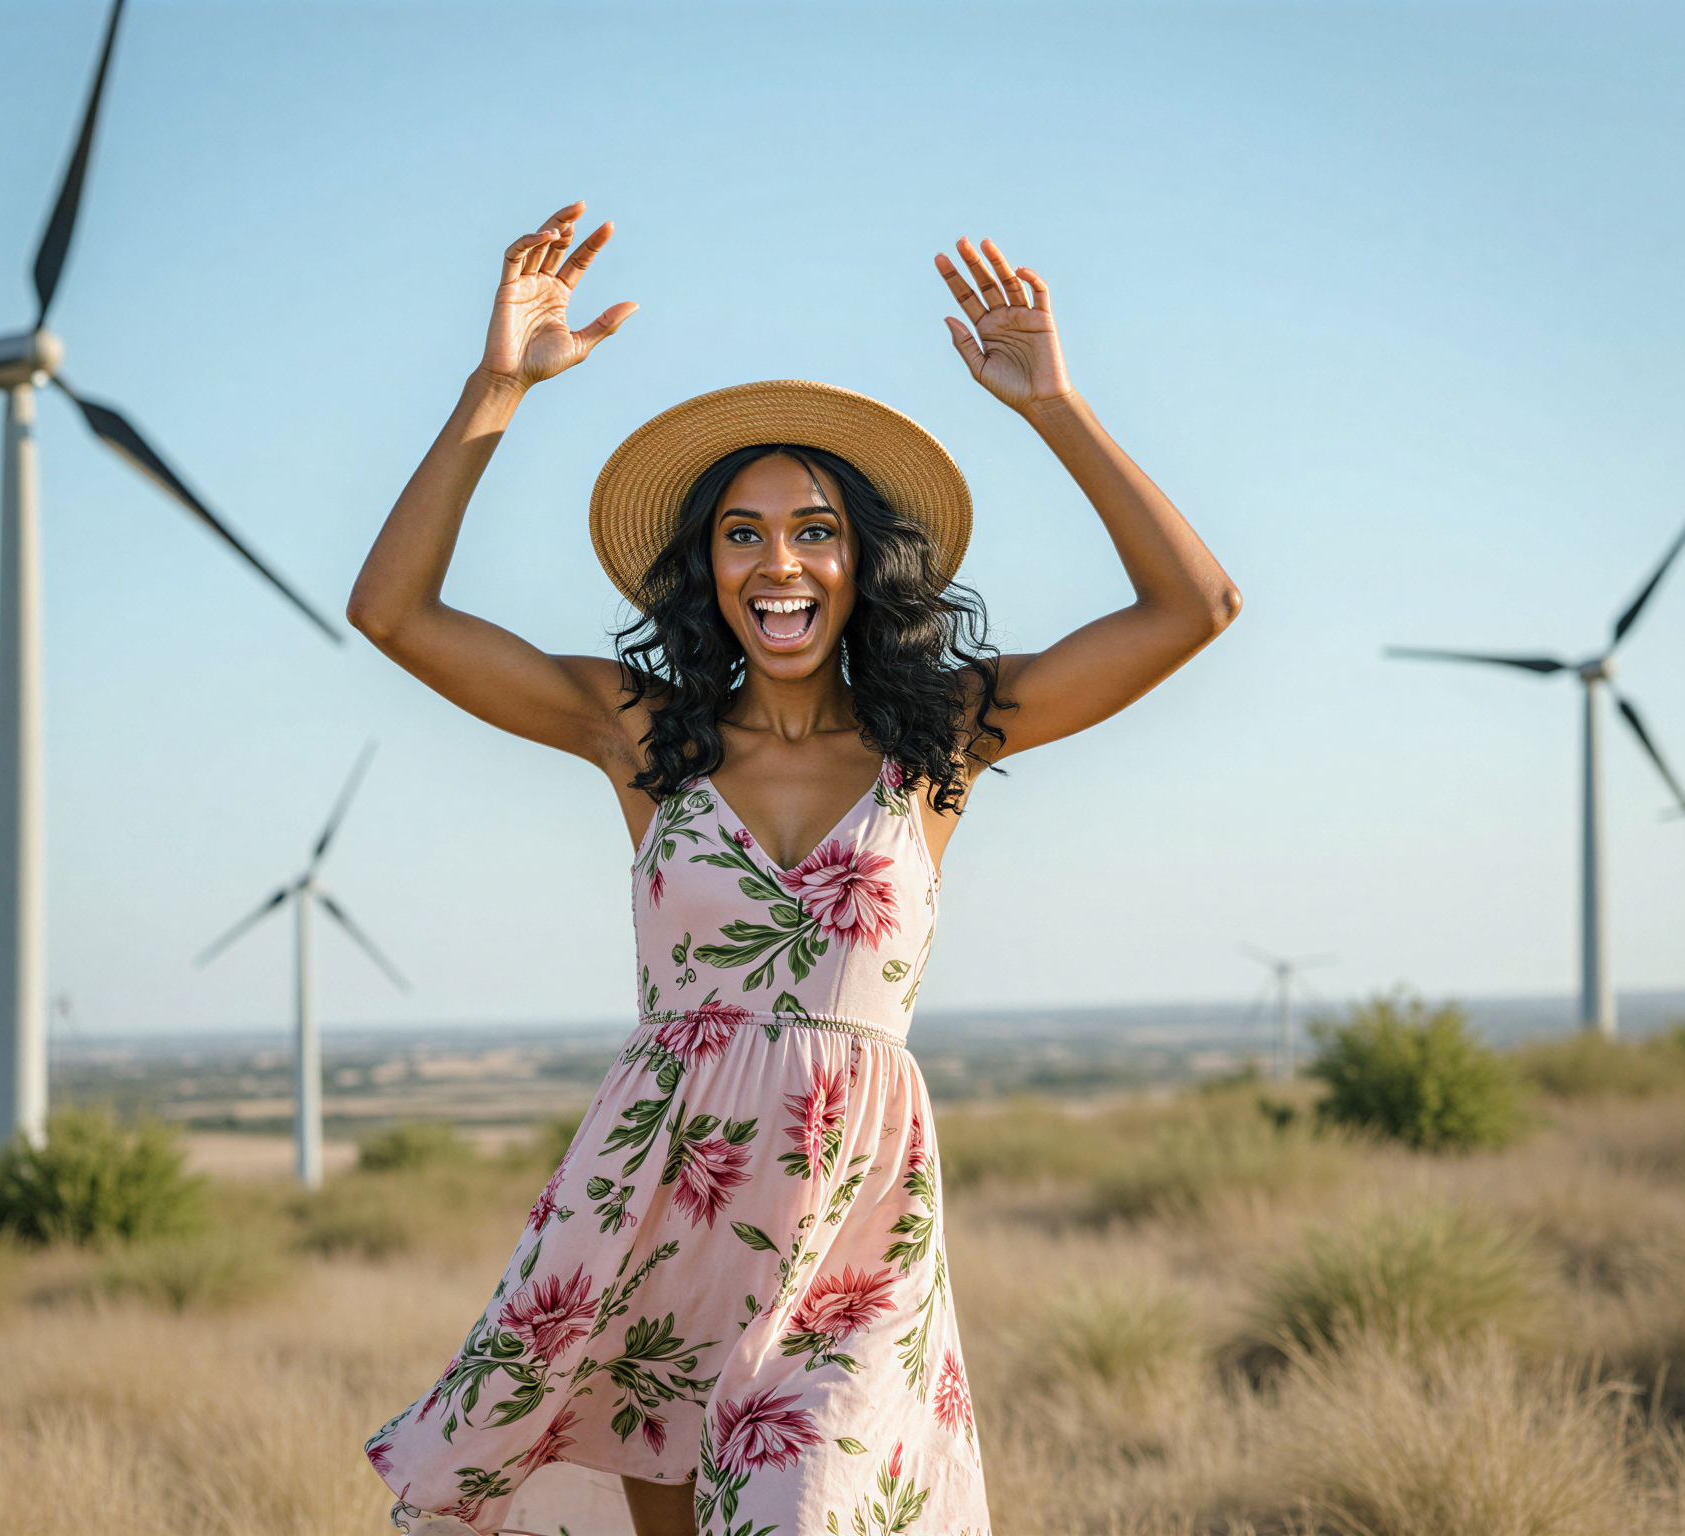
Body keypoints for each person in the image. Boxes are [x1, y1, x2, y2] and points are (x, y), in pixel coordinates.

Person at [347, 201, 1239, 1536]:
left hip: (848, 1228)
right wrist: (496, 390)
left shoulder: (945, 737)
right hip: (655, 1197)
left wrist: (1055, 407)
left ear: (859, 559)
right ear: (706, 568)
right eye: (743, 533)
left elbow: (1197, 608)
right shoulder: (640, 735)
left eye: (814, 529)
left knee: (804, 1500)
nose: (780, 561)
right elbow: (393, 614)